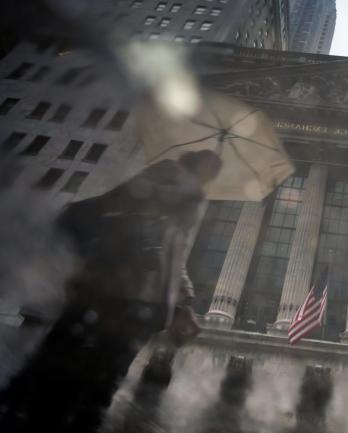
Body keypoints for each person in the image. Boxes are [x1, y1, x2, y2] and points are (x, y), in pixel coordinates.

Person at [0, 150, 222, 433]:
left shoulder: (180, 209)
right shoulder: (164, 184)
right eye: (212, 171)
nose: (211, 180)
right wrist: (150, 234)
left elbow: (173, 262)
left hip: (138, 312)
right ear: (197, 166)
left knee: (93, 392)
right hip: (109, 301)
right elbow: (119, 215)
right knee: (56, 385)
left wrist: (184, 304)